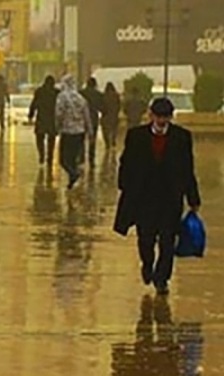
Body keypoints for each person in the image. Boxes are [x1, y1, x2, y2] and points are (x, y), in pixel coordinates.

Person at [114, 98, 201, 296]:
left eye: (166, 117)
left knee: (168, 241)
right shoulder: (136, 136)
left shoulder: (182, 137)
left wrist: (193, 198)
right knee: (146, 238)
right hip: (144, 199)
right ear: (151, 115)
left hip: (170, 199)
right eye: (159, 116)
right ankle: (147, 264)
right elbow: (126, 163)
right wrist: (125, 186)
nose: (162, 120)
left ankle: (162, 278)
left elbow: (188, 169)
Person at [55, 74, 93, 190]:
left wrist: (57, 126)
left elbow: (58, 114)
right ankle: (71, 181)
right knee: (73, 158)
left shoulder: (62, 97)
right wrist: (90, 131)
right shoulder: (81, 98)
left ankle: (74, 174)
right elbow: (87, 116)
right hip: (80, 132)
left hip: (67, 132)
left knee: (63, 159)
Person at [28, 75, 59, 166]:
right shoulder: (56, 92)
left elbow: (34, 103)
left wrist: (31, 114)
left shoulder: (39, 91)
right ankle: (50, 157)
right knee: (51, 140)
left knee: (39, 138)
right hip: (52, 119)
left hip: (41, 118)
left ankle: (42, 154)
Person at [80, 77, 104, 166]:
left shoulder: (81, 93)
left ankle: (81, 158)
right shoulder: (98, 95)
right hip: (93, 118)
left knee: (81, 139)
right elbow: (102, 108)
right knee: (92, 139)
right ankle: (91, 158)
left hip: (82, 119)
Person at [102, 82, 122, 149]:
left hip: (105, 115)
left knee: (105, 130)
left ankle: (107, 143)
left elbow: (101, 106)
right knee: (114, 129)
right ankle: (113, 141)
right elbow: (119, 105)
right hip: (114, 115)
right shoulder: (116, 95)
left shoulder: (104, 95)